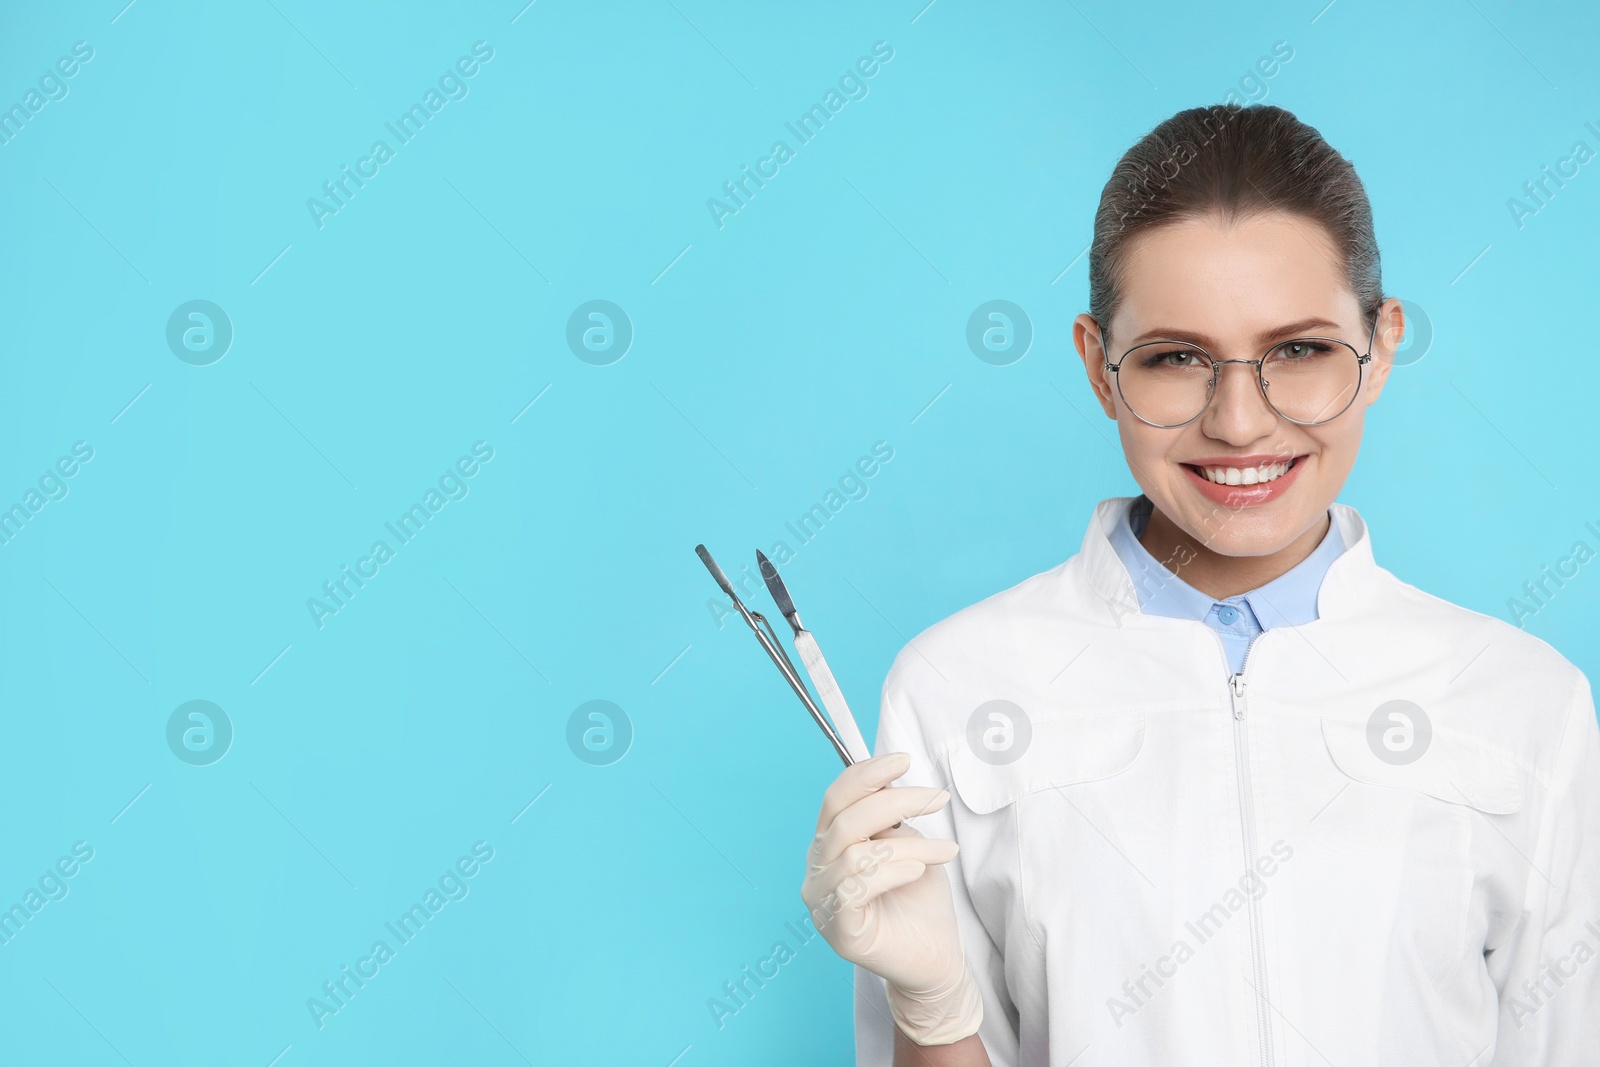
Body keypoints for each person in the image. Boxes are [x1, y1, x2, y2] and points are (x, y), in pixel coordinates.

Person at [800, 102, 1600, 1066]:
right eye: (1176, 358)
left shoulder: (1524, 700)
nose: (1239, 422)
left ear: (1381, 346)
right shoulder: (956, 688)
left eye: (1298, 350)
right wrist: (932, 1009)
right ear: (1098, 367)